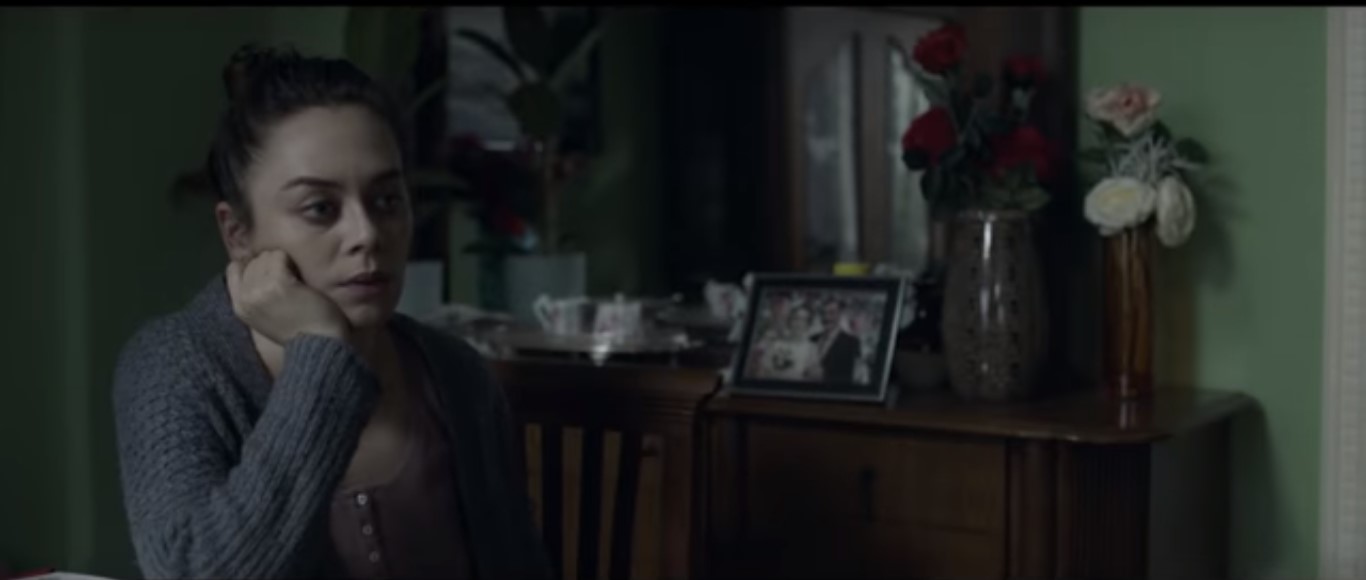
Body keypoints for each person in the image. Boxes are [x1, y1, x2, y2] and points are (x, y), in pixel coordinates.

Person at [111, 45, 550, 580]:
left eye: (387, 200)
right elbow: (193, 572)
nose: (367, 235)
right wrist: (321, 355)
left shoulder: (455, 375)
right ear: (237, 233)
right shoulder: (174, 368)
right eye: (320, 208)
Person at [814, 297, 862, 383]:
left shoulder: (852, 342)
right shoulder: (813, 339)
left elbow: (854, 377)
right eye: (823, 313)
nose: (826, 317)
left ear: (840, 315)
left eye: (831, 313)